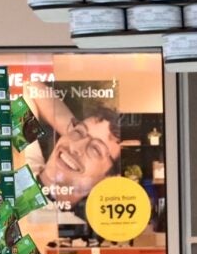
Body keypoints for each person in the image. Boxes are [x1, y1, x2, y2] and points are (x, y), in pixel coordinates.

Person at [24, 77, 128, 209]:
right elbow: (25, 84)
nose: (75, 146)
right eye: (78, 132)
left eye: (95, 149)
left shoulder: (54, 223)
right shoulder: (27, 162)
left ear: (108, 180)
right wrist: (75, 133)